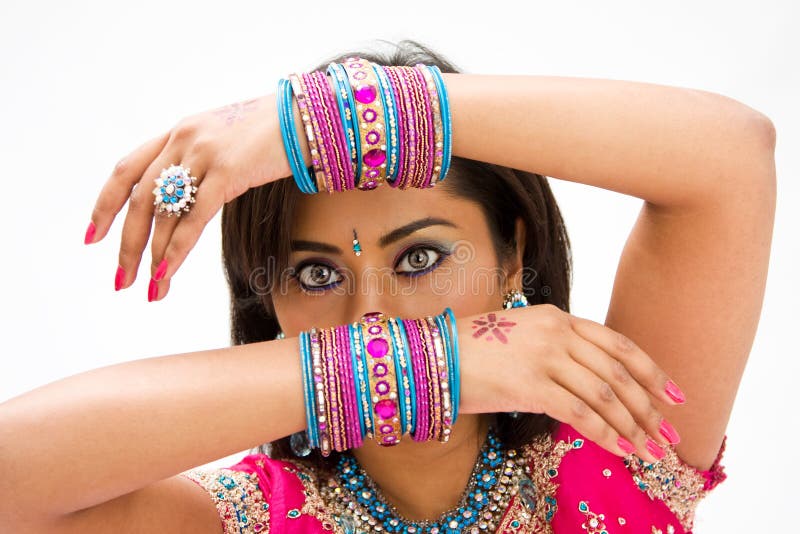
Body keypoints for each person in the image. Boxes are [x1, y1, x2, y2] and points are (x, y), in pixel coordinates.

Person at [0, 40, 775, 533]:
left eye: (418, 260)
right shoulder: (246, 521)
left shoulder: (621, 449)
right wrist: (430, 367)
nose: (373, 314)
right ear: (266, 301)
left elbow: (732, 156)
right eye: (315, 273)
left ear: (514, 257)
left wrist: (321, 118)